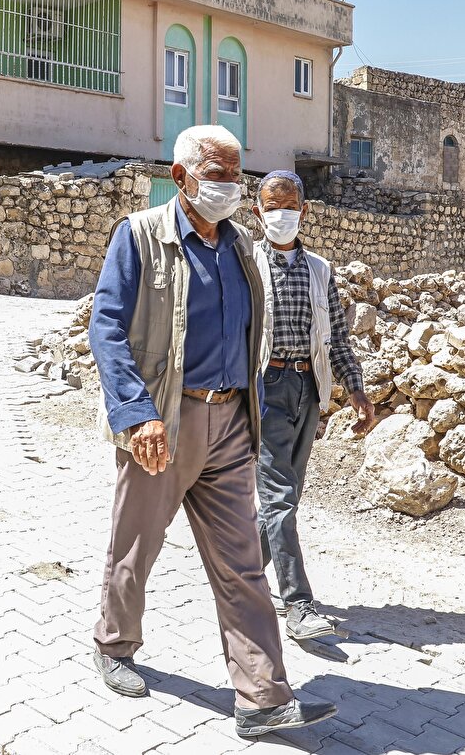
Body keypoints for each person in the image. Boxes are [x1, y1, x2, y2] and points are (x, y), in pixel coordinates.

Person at [87, 126, 337, 739]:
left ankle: (262, 698)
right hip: (164, 422)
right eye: (218, 175)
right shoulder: (139, 235)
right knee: (136, 545)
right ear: (181, 177)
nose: (230, 187)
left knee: (243, 563)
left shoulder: (241, 245)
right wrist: (136, 413)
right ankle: (114, 645)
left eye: (235, 174)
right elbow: (106, 327)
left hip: (229, 422)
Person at [251, 170, 375, 641]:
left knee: (289, 493)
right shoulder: (246, 263)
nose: (280, 215)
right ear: (258, 211)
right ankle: (298, 604)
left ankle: (238, 574)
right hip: (264, 388)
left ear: (304, 211)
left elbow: (337, 338)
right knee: (279, 496)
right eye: (272, 207)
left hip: (308, 387)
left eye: (289, 207)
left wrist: (355, 389)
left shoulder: (321, 270)